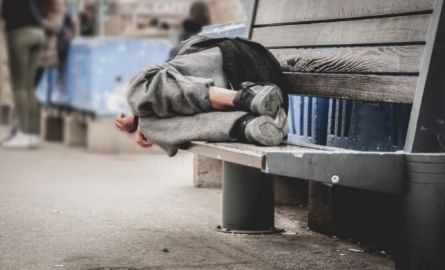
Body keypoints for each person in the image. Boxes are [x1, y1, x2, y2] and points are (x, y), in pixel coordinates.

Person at [116, 36, 290, 156]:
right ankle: (247, 121)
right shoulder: (173, 71)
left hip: (245, 63)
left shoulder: (181, 58)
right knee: (145, 119)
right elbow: (165, 97)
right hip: (257, 94)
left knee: (141, 85)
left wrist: (138, 119)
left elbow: (156, 91)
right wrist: (139, 121)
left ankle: (246, 101)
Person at [1, 0, 46, 148]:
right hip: (38, 31)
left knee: (19, 86)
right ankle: (32, 135)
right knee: (29, 86)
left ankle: (23, 133)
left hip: (20, 32)